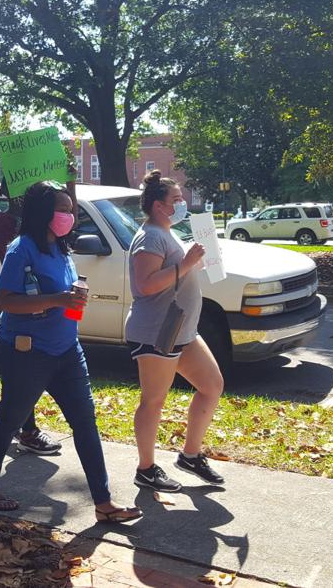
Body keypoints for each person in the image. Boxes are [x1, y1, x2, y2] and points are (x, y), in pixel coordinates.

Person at [0, 180, 141, 523]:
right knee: (9, 419)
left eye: (70, 209)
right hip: (26, 352)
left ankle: (104, 502)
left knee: (86, 424)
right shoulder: (22, 248)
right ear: (43, 214)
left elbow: (64, 297)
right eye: (62, 210)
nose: (69, 215)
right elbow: (2, 301)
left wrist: (73, 297)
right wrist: (57, 299)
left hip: (67, 351)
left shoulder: (62, 249)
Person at [127, 171, 225, 492]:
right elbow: (145, 285)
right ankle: (146, 469)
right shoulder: (150, 237)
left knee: (211, 386)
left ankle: (190, 455)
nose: (182, 204)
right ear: (159, 205)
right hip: (158, 331)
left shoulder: (167, 232)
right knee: (153, 400)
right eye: (176, 200)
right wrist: (186, 264)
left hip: (182, 330)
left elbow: (177, 274)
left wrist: (202, 259)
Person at [0, 177, 63, 455]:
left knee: (22, 376)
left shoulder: (47, 229)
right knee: (21, 372)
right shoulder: (6, 222)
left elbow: (70, 221)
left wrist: (69, 182)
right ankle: (27, 429)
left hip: (41, 311)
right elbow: (11, 249)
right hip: (20, 306)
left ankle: (10, 412)